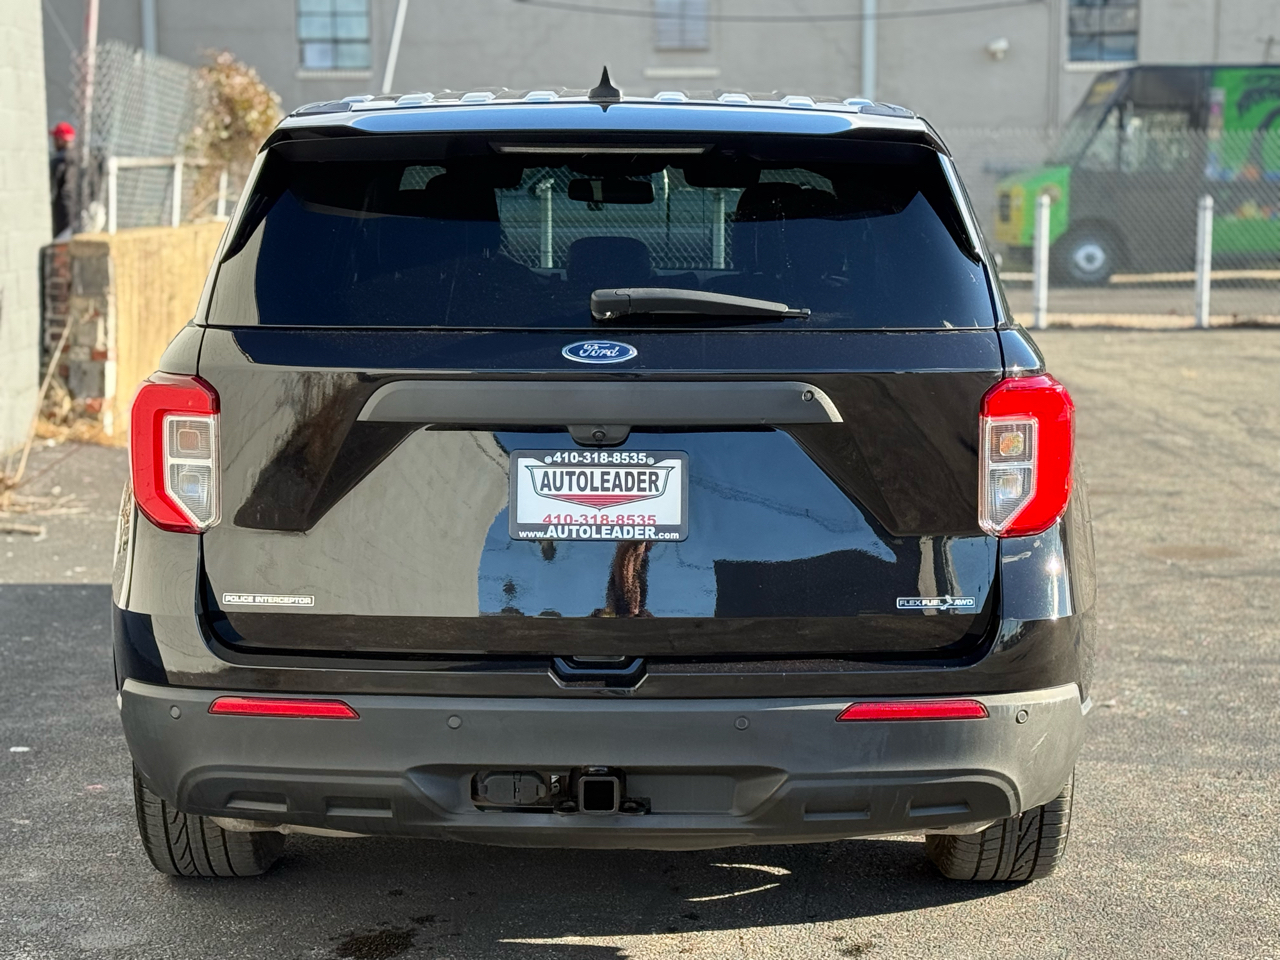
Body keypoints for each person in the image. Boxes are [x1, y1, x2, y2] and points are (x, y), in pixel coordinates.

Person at [49, 122, 76, 241]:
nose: (53, 142)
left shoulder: (58, 161)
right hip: (83, 214)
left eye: (55, 139)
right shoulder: (86, 159)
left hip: (62, 217)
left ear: (60, 140)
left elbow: (52, 190)